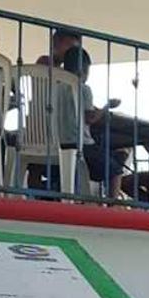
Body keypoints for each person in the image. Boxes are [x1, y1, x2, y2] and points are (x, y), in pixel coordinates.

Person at [61, 46, 126, 197]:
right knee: (116, 170)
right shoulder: (83, 89)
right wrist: (106, 107)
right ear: (83, 69)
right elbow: (90, 118)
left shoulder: (56, 87)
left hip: (59, 143)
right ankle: (113, 205)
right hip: (81, 145)